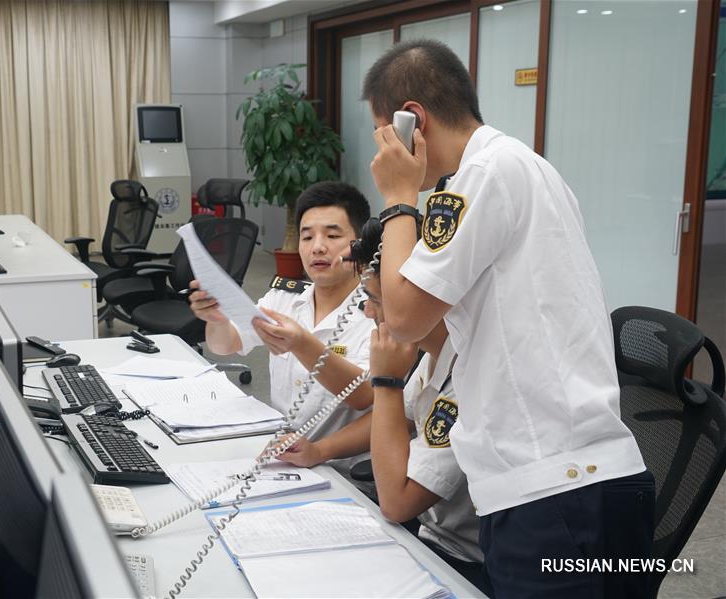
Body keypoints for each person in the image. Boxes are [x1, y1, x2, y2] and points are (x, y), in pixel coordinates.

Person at [363, 39, 654, 597]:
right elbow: (430, 320)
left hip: (554, 498)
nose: (380, 151)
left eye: (383, 133)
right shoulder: (522, 168)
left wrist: (399, 197)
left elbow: (402, 316)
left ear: (411, 121)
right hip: (569, 489)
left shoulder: (485, 174)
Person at [277, 218, 486, 591]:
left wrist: (386, 381)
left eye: (374, 300)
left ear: (419, 298)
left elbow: (397, 503)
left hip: (465, 563)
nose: (369, 314)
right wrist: (318, 450)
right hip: (425, 538)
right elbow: (399, 418)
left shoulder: (470, 375)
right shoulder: (431, 354)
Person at [188, 181, 376, 474]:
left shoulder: (377, 312)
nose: (317, 247)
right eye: (307, 236)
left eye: (332, 235)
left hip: (339, 470)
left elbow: (364, 395)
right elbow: (225, 345)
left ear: (360, 244)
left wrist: (302, 343)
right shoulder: (283, 298)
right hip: (279, 458)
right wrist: (217, 319)